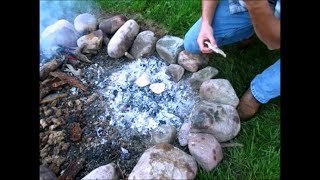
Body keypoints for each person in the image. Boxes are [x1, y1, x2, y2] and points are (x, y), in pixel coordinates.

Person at [184, 0, 280, 120]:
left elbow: (273, 43)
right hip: (250, 5)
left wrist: (256, 5)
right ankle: (247, 31)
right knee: (192, 43)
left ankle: (259, 91)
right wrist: (206, 24)